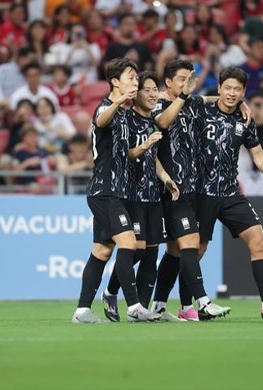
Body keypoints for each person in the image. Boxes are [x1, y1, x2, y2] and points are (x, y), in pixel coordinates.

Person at [193, 67, 263, 320]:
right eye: (227, 88)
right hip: (200, 193)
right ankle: (192, 305)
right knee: (196, 250)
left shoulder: (244, 120)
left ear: (243, 92)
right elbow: (179, 101)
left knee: (258, 240)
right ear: (219, 88)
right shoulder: (201, 111)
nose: (231, 93)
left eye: (237, 89)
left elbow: (257, 154)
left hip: (229, 192)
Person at [72, 57, 160, 324]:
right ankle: (134, 306)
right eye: (131, 77)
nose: (135, 82)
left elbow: (126, 154)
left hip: (116, 190)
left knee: (101, 251)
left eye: (135, 78)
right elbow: (100, 121)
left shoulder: (122, 113)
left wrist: (143, 147)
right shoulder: (108, 107)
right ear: (115, 82)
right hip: (105, 190)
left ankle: (81, 311)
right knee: (129, 244)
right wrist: (120, 101)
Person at [150, 59, 233, 321]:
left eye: (190, 79)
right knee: (189, 243)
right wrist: (185, 95)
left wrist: (236, 102)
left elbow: (207, 100)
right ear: (168, 83)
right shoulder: (158, 103)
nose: (187, 84)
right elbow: (163, 123)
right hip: (172, 189)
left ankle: (160, 306)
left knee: (175, 251)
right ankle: (203, 303)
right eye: (182, 79)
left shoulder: (193, 102)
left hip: (194, 187)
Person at [101, 71, 180, 321]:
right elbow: (127, 155)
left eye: (155, 89)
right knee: (135, 250)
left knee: (151, 253)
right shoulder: (126, 119)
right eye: (146, 89)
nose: (152, 93)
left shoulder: (152, 122)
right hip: (131, 194)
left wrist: (166, 178)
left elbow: (152, 158)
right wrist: (145, 145)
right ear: (136, 94)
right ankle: (111, 291)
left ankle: (141, 310)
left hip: (153, 196)